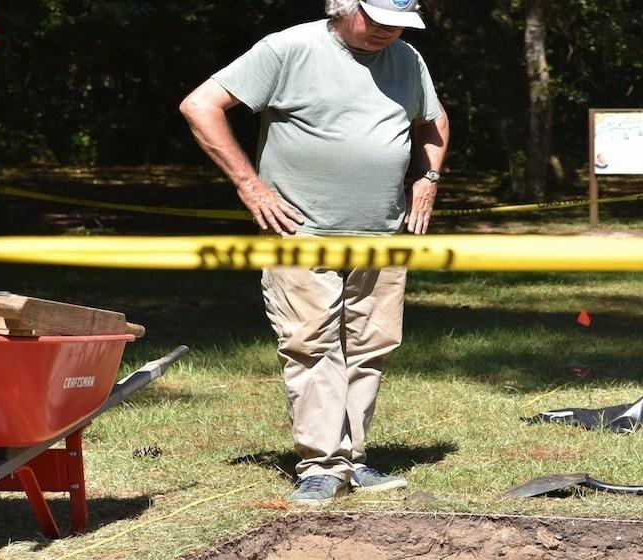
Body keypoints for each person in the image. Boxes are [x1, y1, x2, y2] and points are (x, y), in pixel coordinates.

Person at [179, 0, 449, 505]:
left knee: (372, 346)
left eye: (399, 24)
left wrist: (427, 178)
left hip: (382, 236)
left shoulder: (408, 58)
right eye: (376, 20)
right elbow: (200, 105)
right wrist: (250, 185)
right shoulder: (289, 47)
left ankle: (354, 458)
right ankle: (321, 464)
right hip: (301, 232)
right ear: (342, 7)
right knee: (311, 343)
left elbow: (433, 122)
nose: (388, 32)